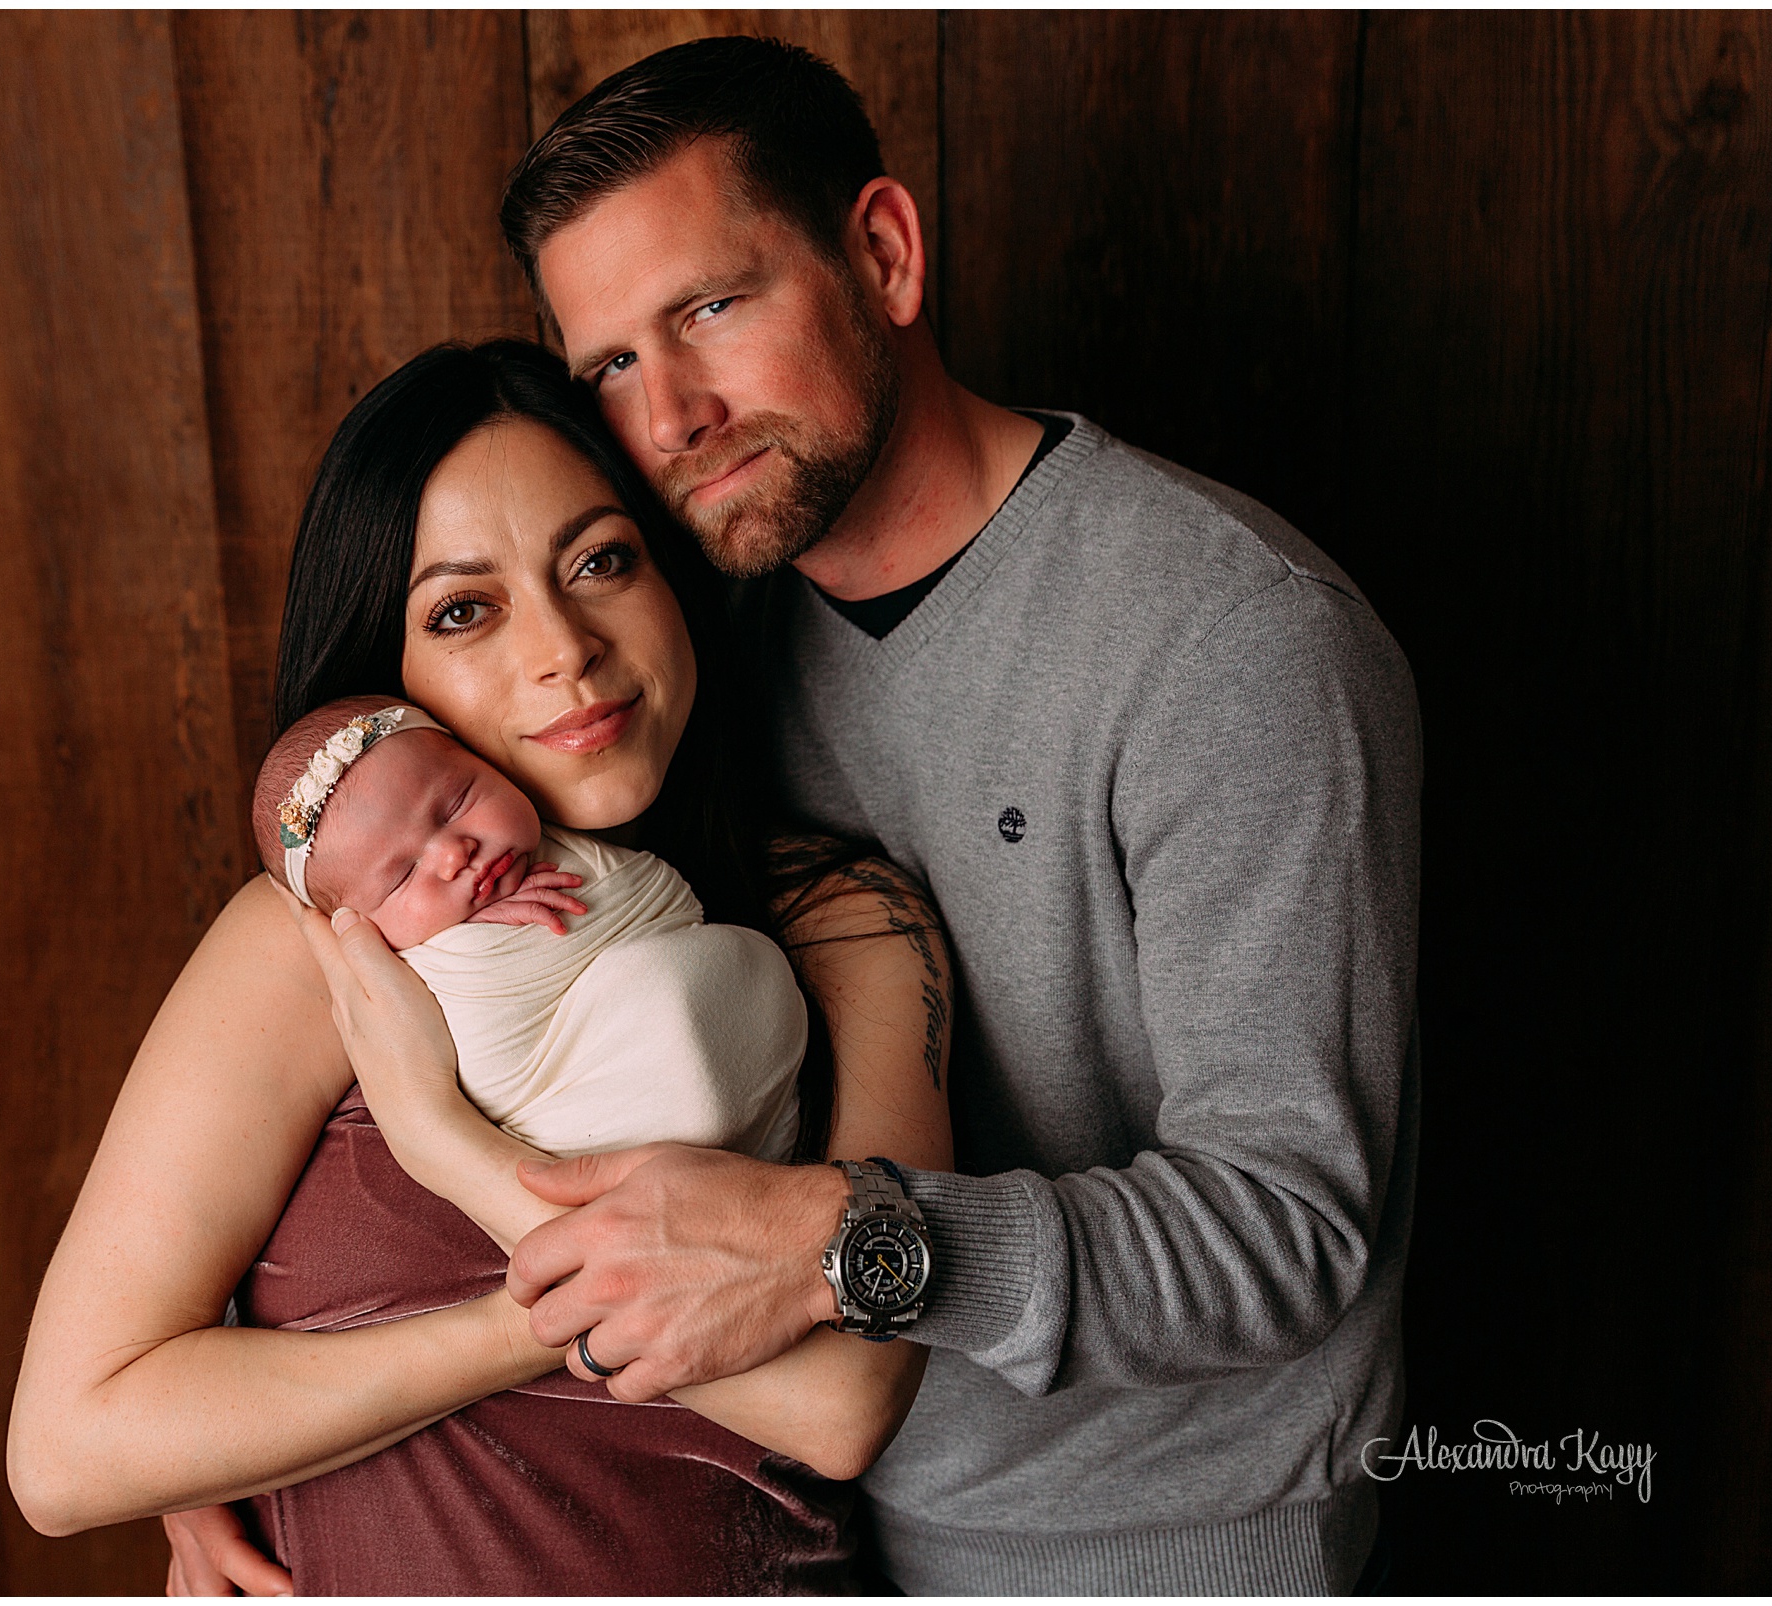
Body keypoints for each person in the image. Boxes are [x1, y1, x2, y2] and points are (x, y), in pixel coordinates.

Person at [235, 35, 1411, 1595]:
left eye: (711, 310)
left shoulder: (1227, 639)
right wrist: (236, 1440)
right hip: (826, 1536)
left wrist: (839, 1242)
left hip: (1164, 1548)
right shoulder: (683, 648)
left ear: (885, 254)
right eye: (611, 365)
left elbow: (1288, 1224)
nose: (670, 415)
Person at [8, 339, 955, 1595]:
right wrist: (524, 1324)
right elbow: (69, 1453)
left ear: (674, 573)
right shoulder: (323, 948)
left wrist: (447, 1145)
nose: (564, 649)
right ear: (384, 689)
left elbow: (842, 1402)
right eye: (463, 610)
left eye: (602, 561)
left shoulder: (847, 919)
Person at [250, 692, 808, 1159]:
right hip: (585, 1130)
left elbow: (666, 899)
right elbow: (480, 1062)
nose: (454, 854)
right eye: (403, 875)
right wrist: (478, 938)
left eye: (456, 803)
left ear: (488, 763)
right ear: (352, 924)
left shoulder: (570, 841)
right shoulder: (402, 971)